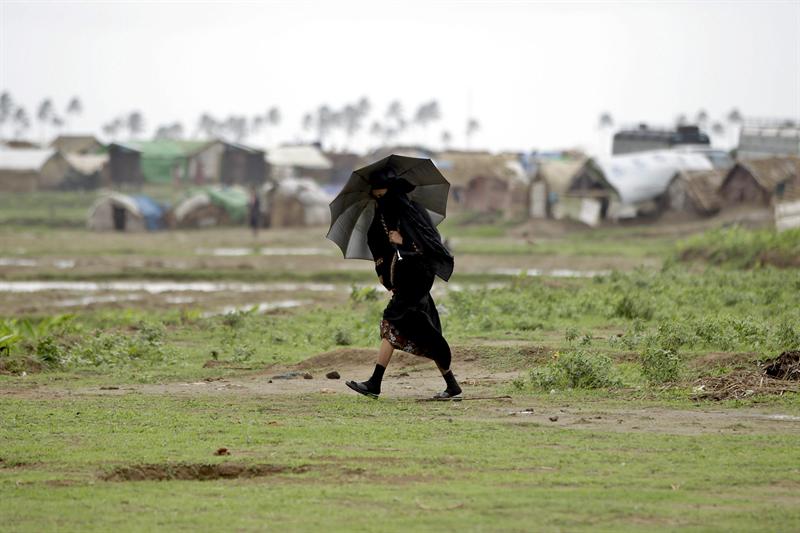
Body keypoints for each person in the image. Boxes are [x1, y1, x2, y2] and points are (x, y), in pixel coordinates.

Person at [346, 173, 462, 399]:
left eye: (382, 195)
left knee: (393, 318)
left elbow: (429, 244)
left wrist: (404, 241)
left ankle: (374, 383)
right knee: (421, 327)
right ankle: (452, 384)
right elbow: (379, 246)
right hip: (405, 277)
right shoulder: (384, 214)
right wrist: (383, 273)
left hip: (418, 276)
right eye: (376, 197)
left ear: (392, 191)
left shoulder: (413, 211)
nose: (380, 200)